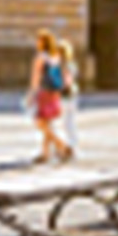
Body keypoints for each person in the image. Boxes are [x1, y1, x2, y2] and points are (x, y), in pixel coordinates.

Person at [27, 30, 71, 163]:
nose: (36, 43)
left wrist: (31, 94)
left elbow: (35, 79)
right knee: (47, 123)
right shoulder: (56, 57)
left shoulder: (40, 58)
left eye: (38, 40)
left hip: (45, 93)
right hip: (55, 93)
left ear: (42, 42)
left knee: (40, 122)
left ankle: (62, 146)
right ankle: (45, 154)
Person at [57, 36, 81, 157]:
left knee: (63, 122)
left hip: (64, 95)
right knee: (70, 122)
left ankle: (66, 147)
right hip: (73, 94)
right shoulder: (72, 64)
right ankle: (71, 145)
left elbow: (64, 81)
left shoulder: (62, 65)